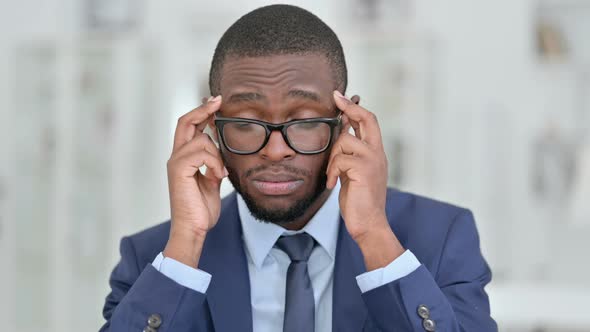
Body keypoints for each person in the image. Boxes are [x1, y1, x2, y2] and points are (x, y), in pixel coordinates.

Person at [100, 5, 496, 332]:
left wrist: (375, 235)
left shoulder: (441, 239)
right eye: (245, 122)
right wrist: (185, 244)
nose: (274, 151)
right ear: (211, 128)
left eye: (305, 121)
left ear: (347, 123)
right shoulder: (155, 260)